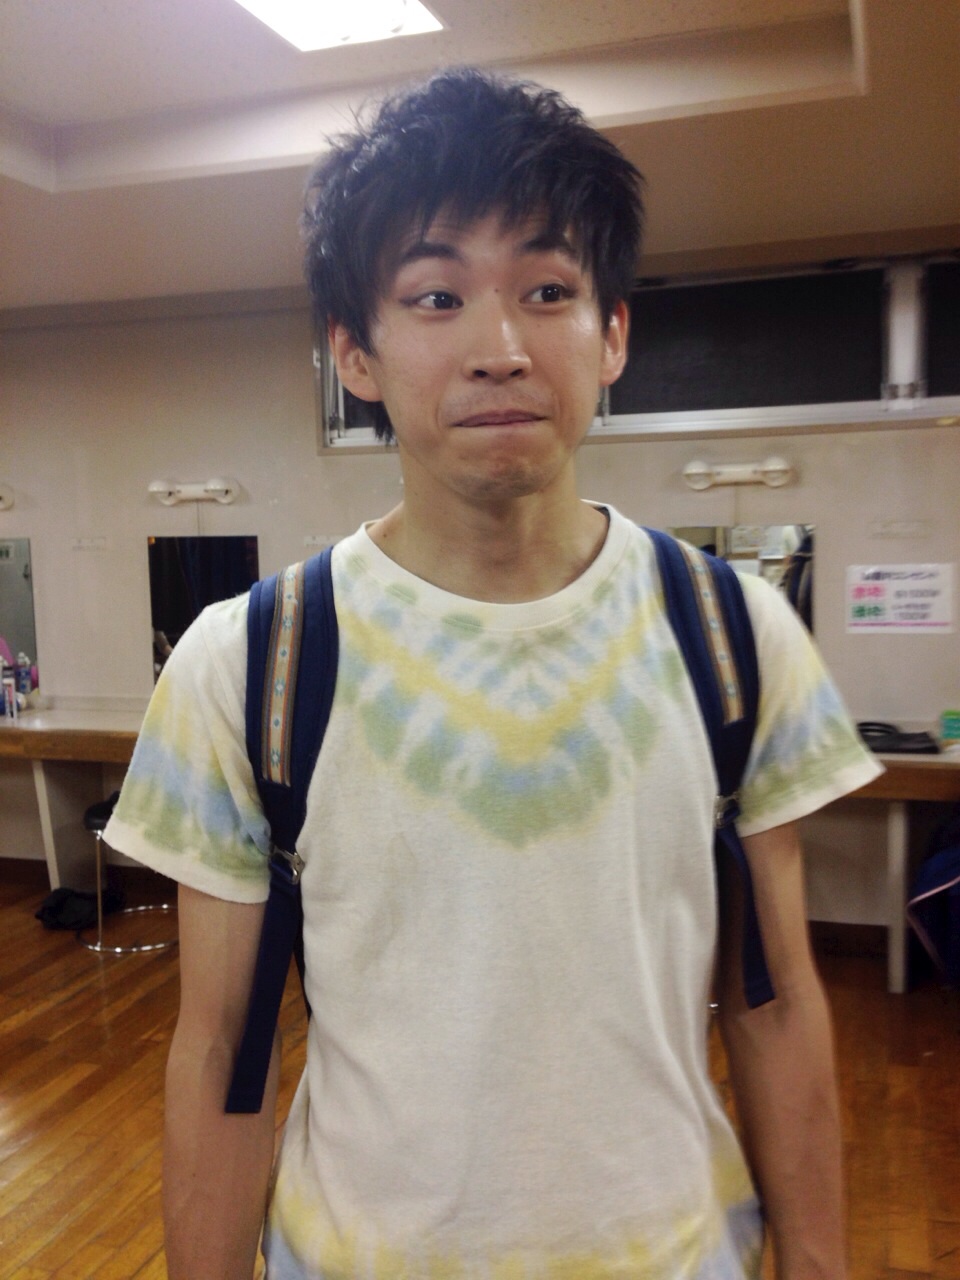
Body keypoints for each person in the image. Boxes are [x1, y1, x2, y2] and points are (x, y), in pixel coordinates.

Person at [106, 67, 882, 1280]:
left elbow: (775, 998)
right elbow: (219, 1050)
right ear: (354, 351)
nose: (501, 348)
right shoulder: (248, 663)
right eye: (436, 295)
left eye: (548, 289)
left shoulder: (734, 633)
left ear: (612, 334)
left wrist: (821, 1263)